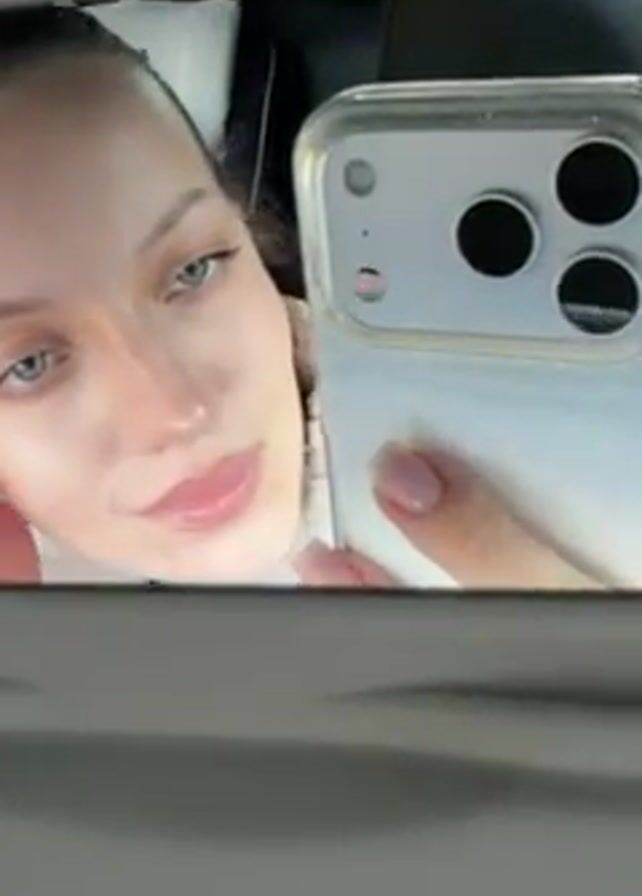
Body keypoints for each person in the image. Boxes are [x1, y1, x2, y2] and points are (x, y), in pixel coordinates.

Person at [0, 6, 602, 589]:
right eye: (29, 364)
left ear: (248, 234)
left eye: (193, 270)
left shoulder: (546, 469)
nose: (178, 412)